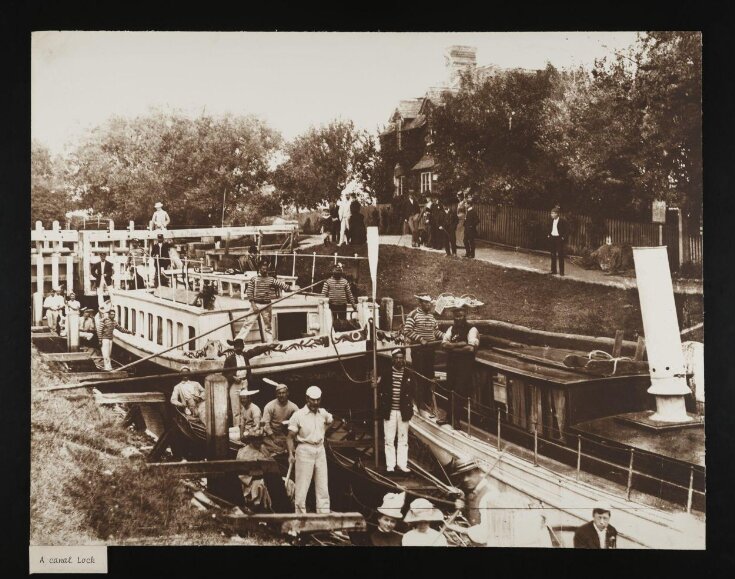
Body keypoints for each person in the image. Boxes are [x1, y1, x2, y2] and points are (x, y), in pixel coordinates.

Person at [287, 385, 333, 514]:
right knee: (302, 487)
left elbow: (331, 421)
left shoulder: (323, 412)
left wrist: (322, 432)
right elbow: (289, 437)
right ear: (307, 398)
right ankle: (300, 519)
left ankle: (324, 517)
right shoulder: (298, 415)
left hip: (320, 450)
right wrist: (290, 454)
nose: (315, 402)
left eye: (318, 400)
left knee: (323, 487)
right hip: (304, 450)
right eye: (313, 400)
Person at [403, 294, 444, 416]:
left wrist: (446, 336)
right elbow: (407, 331)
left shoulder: (431, 316)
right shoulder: (413, 315)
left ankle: (427, 402)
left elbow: (435, 331)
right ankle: (419, 403)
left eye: (429, 303)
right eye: (425, 303)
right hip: (419, 350)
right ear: (420, 303)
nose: (428, 305)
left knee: (429, 375)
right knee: (419, 376)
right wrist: (420, 339)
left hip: (430, 349)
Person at [223, 338, 277, 426]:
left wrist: (268, 346)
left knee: (244, 406)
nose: (239, 349)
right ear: (234, 348)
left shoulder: (245, 355)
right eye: (237, 347)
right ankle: (237, 427)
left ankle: (245, 425)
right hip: (235, 384)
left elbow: (256, 350)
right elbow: (225, 373)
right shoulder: (229, 359)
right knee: (236, 408)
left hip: (244, 382)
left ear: (243, 347)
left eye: (240, 347)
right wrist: (233, 377)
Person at [441, 305, 480, 428]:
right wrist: (460, 344)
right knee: (450, 389)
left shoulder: (472, 329)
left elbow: (470, 348)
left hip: (464, 366)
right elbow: (443, 344)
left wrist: (452, 347)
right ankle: (448, 417)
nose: (458, 318)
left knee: (460, 391)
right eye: (456, 316)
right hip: (452, 364)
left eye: (461, 316)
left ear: (465, 316)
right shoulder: (451, 329)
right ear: (454, 317)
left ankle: (456, 419)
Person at [380, 348, 415, 474]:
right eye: (397, 358)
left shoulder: (409, 374)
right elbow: (380, 390)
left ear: (404, 359)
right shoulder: (386, 374)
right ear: (393, 359)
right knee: (389, 439)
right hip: (389, 411)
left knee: (403, 439)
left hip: (403, 411)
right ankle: (390, 465)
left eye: (401, 358)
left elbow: (413, 392)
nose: (399, 360)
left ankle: (402, 464)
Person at [244, 262, 290, 343]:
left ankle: (270, 343)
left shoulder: (270, 279)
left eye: (266, 269)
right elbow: (249, 292)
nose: (264, 270)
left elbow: (281, 285)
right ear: (259, 269)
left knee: (268, 326)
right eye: (263, 269)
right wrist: (253, 305)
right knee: (247, 323)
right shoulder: (254, 279)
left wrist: (289, 288)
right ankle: (238, 341)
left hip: (267, 305)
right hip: (256, 304)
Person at [236, 428, 276, 512]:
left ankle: (282, 509)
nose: (259, 442)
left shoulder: (262, 449)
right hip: (251, 483)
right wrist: (259, 474)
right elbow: (242, 473)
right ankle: (266, 511)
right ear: (251, 440)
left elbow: (271, 463)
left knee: (289, 483)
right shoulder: (243, 452)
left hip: (266, 476)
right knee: (261, 486)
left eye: (260, 439)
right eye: (256, 439)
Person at [261, 383, 299, 452]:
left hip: (284, 434)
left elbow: (299, 420)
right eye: (279, 393)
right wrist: (274, 438)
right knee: (275, 448)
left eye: (283, 393)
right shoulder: (269, 406)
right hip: (270, 435)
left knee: (293, 448)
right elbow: (265, 424)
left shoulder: (293, 407)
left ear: (287, 393)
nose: (281, 395)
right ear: (276, 394)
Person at [548, 205, 569, 276]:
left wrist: (563, 238)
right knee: (552, 255)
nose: (551, 215)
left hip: (559, 239)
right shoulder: (551, 221)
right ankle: (553, 270)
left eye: (553, 213)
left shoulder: (562, 221)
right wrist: (548, 235)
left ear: (557, 214)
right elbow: (548, 228)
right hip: (552, 238)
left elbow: (567, 230)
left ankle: (561, 272)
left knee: (560, 255)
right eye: (551, 213)